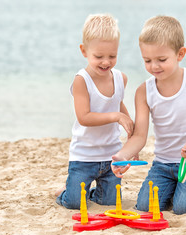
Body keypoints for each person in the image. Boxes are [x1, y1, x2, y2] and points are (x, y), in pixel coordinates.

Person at [111, 15, 186, 215]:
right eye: (147, 60)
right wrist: (122, 156)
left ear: (180, 54)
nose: (154, 66)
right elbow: (139, 136)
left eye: (162, 60)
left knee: (185, 208)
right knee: (145, 207)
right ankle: (183, 189)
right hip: (163, 164)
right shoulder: (144, 91)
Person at [55, 13, 134, 209]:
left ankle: (89, 191)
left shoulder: (120, 78)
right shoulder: (82, 80)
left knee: (108, 202)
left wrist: (130, 131)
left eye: (112, 56)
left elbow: (118, 105)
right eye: (98, 56)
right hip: (84, 156)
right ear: (84, 51)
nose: (106, 62)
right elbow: (84, 117)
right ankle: (65, 192)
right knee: (74, 203)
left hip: (111, 156)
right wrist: (116, 116)